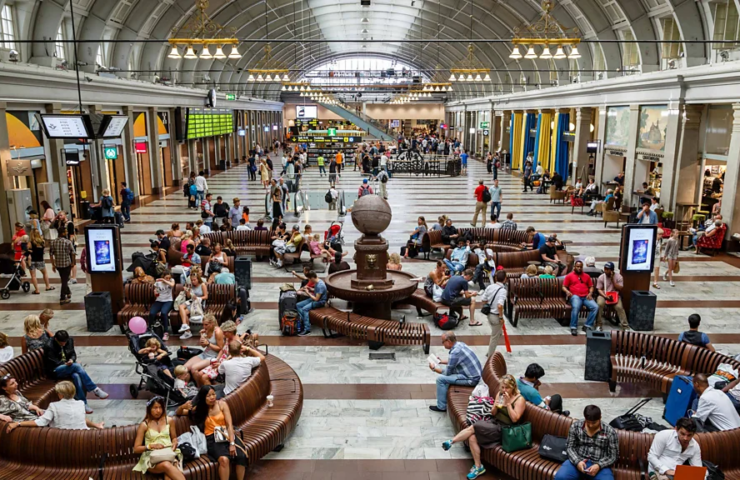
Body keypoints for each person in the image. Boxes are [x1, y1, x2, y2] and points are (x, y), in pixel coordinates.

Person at [440, 374, 524, 480]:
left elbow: (515, 419)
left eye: (506, 387)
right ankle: (478, 467)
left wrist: (507, 405)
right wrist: (496, 405)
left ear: (513, 387)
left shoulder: (519, 399)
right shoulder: (500, 394)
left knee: (475, 426)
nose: (504, 390)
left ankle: (452, 441)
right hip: (495, 423)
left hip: (506, 430)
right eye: (502, 387)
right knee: (472, 438)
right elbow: (493, 413)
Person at [178, 386, 247, 480]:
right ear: (203, 398)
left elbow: (229, 425)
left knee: (241, 456)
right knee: (224, 459)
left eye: (213, 394)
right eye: (208, 396)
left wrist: (232, 443)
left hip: (226, 434)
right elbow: (179, 413)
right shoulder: (199, 410)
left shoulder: (222, 404)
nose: (212, 397)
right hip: (212, 438)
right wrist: (183, 407)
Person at [43, 330, 108, 414]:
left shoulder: (69, 341)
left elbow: (73, 354)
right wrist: (67, 364)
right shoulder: (49, 346)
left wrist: (71, 360)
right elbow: (53, 362)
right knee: (77, 366)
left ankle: (83, 404)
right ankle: (94, 389)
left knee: (76, 375)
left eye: (65, 342)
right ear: (56, 339)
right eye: (62, 342)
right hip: (55, 370)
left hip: (68, 367)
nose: (64, 344)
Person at [5, 381, 104, 433]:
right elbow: (81, 419)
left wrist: (18, 423)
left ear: (60, 394)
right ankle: (97, 426)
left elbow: (41, 422)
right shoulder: (81, 404)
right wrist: (96, 426)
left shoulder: (54, 406)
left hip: (61, 439)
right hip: (82, 436)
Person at [555, 405, 618, 480]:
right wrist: (577, 462)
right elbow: (569, 447)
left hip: (600, 464)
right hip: (578, 460)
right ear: (585, 418)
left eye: (594, 423)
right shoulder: (576, 426)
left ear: (600, 418)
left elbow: (613, 455)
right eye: (588, 422)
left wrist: (599, 465)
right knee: (561, 477)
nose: (591, 425)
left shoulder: (610, 432)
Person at [132, 396, 184, 480]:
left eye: (160, 407)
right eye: (155, 408)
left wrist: (175, 442)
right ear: (149, 409)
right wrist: (151, 446)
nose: (158, 411)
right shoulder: (144, 425)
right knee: (167, 465)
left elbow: (174, 438)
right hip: (152, 459)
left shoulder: (169, 421)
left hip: (168, 454)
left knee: (168, 476)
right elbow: (136, 449)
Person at [429, 332, 482, 413]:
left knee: (440, 380)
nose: (442, 344)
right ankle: (444, 399)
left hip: (471, 379)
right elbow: (454, 361)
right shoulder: (460, 344)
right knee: (447, 378)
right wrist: (441, 361)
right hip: (474, 374)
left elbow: (447, 373)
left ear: (449, 341)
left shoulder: (455, 352)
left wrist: (434, 368)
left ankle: (441, 407)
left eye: (443, 342)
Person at [563, 260, 599, 336]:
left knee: (595, 307)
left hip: (586, 296)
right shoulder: (569, 276)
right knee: (576, 307)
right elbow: (563, 287)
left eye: (581, 267)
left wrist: (590, 293)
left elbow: (591, 286)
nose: (579, 268)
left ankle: (587, 326)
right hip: (575, 296)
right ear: (574, 267)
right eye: (578, 267)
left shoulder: (586, 276)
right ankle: (573, 327)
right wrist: (567, 291)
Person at [479, 269, 507, 356]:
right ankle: (490, 356)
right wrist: (501, 317)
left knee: (496, 333)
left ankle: (499, 333)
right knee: (494, 338)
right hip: (496, 316)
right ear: (505, 279)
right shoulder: (503, 291)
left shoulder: (490, 287)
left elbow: (483, 300)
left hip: (489, 314)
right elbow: (500, 305)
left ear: (496, 278)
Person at [595, 262, 628, 331]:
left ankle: (625, 326)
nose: (605, 270)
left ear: (612, 270)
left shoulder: (619, 277)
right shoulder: (601, 277)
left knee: (619, 307)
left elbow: (620, 288)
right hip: (603, 295)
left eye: (608, 269)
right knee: (599, 304)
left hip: (614, 295)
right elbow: (599, 289)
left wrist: (613, 280)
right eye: (605, 269)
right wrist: (605, 296)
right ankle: (598, 324)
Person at [49, 227, 76, 305]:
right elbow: (73, 252)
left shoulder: (53, 242)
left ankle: (68, 292)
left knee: (64, 279)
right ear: (63, 233)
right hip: (66, 264)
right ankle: (62, 298)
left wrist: (53, 264)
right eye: (66, 231)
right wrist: (73, 262)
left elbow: (51, 254)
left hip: (58, 264)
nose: (67, 232)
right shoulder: (67, 242)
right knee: (64, 280)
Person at [296, 271, 328, 336]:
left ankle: (307, 328)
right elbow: (316, 291)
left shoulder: (320, 285)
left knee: (305, 309)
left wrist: (307, 293)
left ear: (313, 277)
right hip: (315, 299)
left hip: (320, 302)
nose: (309, 280)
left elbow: (316, 299)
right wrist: (310, 289)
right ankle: (306, 320)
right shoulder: (317, 282)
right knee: (298, 305)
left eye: (310, 279)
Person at [177, 273, 208, 340]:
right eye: (192, 280)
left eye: (194, 280)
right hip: (192, 302)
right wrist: (187, 291)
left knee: (184, 313)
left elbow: (206, 296)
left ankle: (187, 332)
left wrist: (198, 298)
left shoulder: (202, 285)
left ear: (198, 279)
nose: (193, 281)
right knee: (180, 306)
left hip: (199, 303)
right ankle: (185, 325)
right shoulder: (191, 286)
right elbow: (188, 297)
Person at [27, 228, 53, 294]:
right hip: (40, 260)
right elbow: (43, 251)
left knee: (33, 276)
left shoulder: (30, 243)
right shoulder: (42, 242)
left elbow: (28, 251)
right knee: (45, 273)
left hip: (32, 261)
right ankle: (47, 286)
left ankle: (37, 290)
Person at [151, 273, 175, 341]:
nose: (168, 279)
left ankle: (166, 332)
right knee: (152, 313)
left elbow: (172, 285)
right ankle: (150, 329)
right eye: (166, 277)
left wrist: (165, 280)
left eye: (169, 278)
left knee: (164, 313)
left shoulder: (171, 280)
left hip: (168, 300)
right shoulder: (158, 283)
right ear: (163, 277)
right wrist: (155, 292)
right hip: (159, 300)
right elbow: (156, 292)